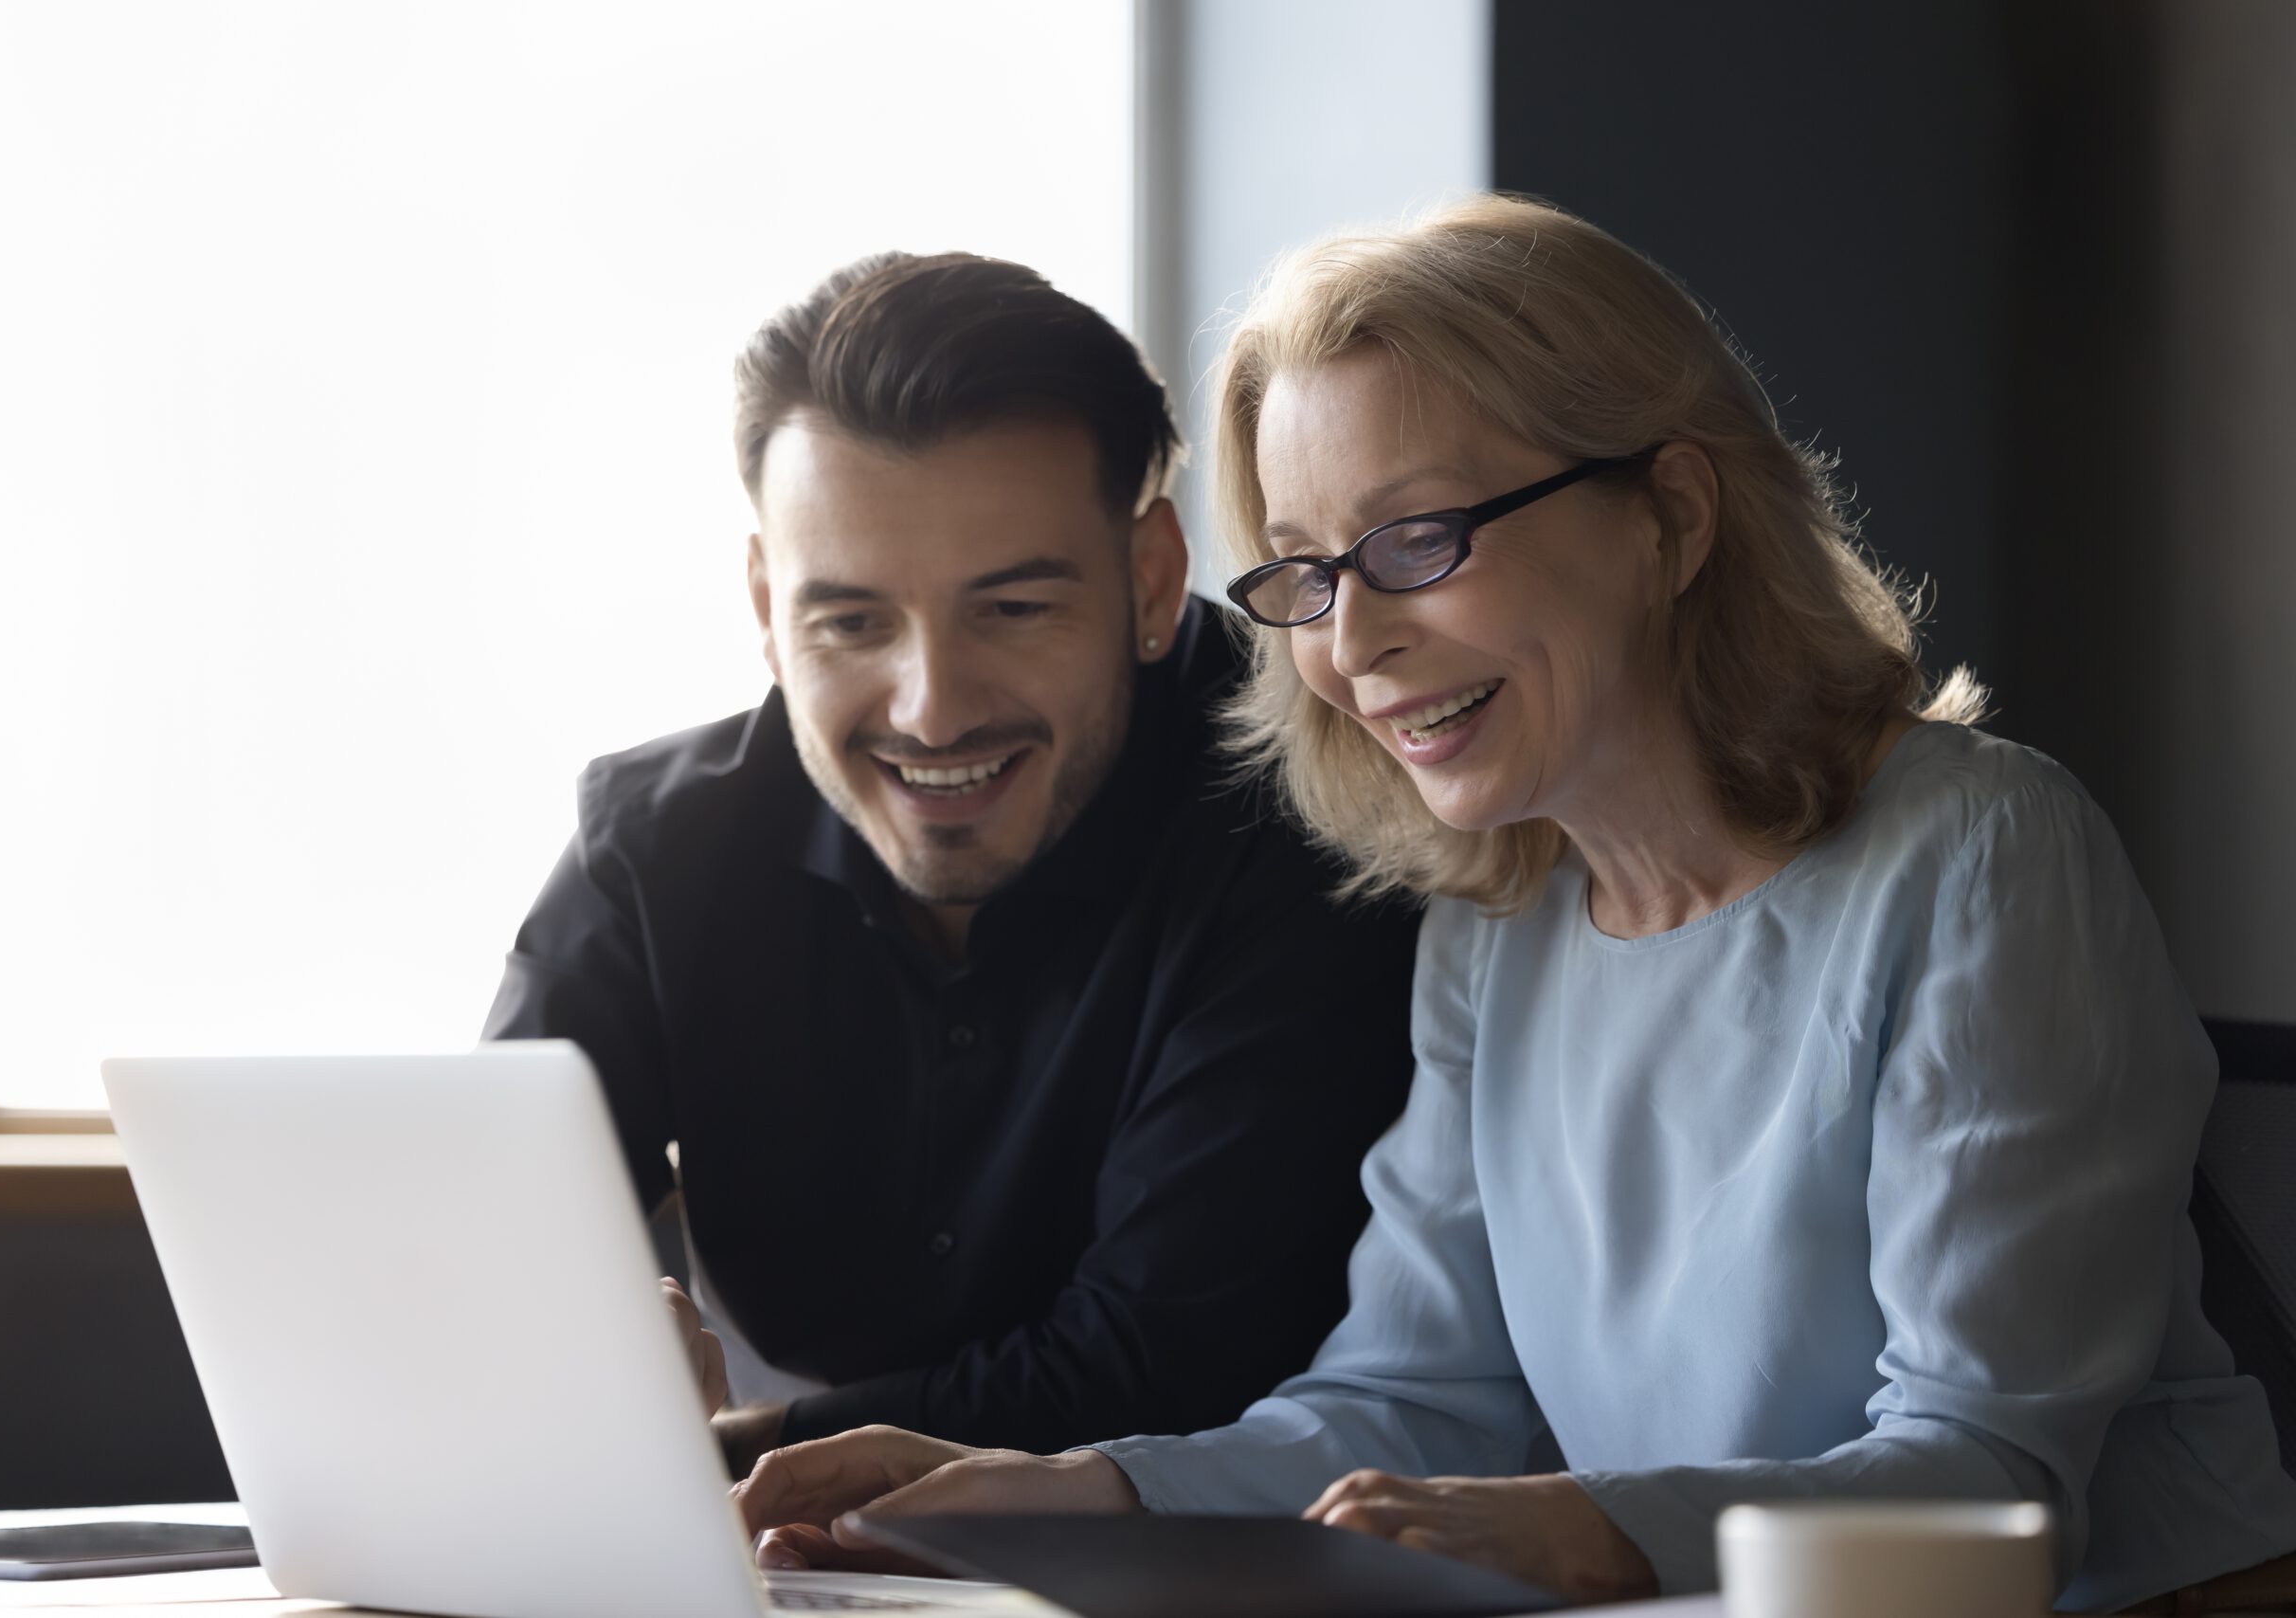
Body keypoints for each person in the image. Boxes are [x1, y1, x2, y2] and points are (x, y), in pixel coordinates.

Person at [729, 197, 2296, 1610]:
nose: (1352, 645)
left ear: (1673, 518)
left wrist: (1583, 1534)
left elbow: (1992, 1484)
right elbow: (1414, 1400)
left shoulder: (1985, 852)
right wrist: (1072, 1493)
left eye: (1417, 540)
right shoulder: (1502, 929)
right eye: (1305, 572)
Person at [482, 251, 1421, 1479]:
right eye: (852, 622)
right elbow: (484, 1259)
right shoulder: (657, 849)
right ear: (767, 606)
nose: (932, 711)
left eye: (1014, 610)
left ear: (1151, 579)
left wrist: (716, 1461)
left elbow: (1168, 1366)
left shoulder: (1308, 815)